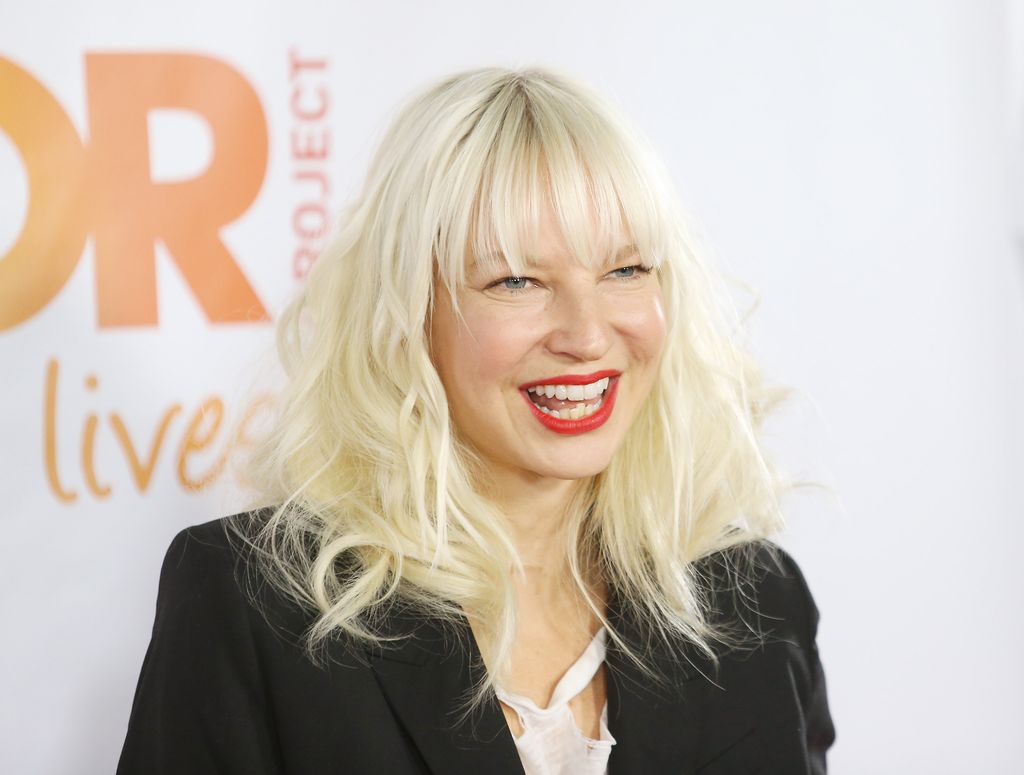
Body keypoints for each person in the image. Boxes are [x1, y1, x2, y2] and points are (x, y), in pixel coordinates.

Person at [117, 67, 834, 774]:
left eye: (625, 271)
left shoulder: (761, 601)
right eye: (516, 279)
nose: (586, 335)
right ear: (407, 314)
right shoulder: (251, 605)